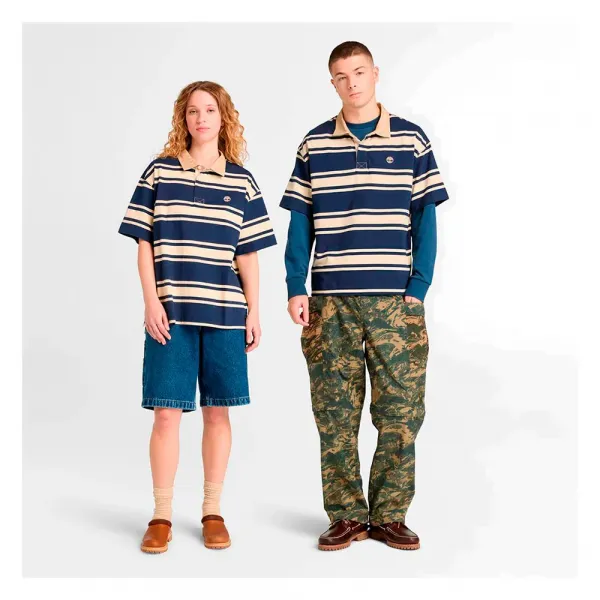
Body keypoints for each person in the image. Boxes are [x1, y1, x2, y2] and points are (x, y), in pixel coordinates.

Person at [280, 41, 449, 551]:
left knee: (401, 412)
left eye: (358, 72)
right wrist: (295, 286)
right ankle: (347, 515)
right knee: (334, 414)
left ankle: (390, 515)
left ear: (375, 73)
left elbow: (426, 220)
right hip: (330, 301)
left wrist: (418, 287)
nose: (351, 82)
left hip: (395, 303)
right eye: (341, 75)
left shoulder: (412, 140)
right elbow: (300, 223)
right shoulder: (313, 144)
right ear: (332, 83)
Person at [118, 81, 276, 553]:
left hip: (226, 315)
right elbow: (144, 242)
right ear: (182, 119)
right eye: (192, 111)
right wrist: (151, 301)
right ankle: (161, 515)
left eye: (209, 110)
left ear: (223, 117)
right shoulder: (160, 172)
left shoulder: (242, 181)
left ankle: (212, 511)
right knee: (166, 414)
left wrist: (255, 310)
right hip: (171, 315)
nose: (200, 118)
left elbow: (247, 254)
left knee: (217, 411)